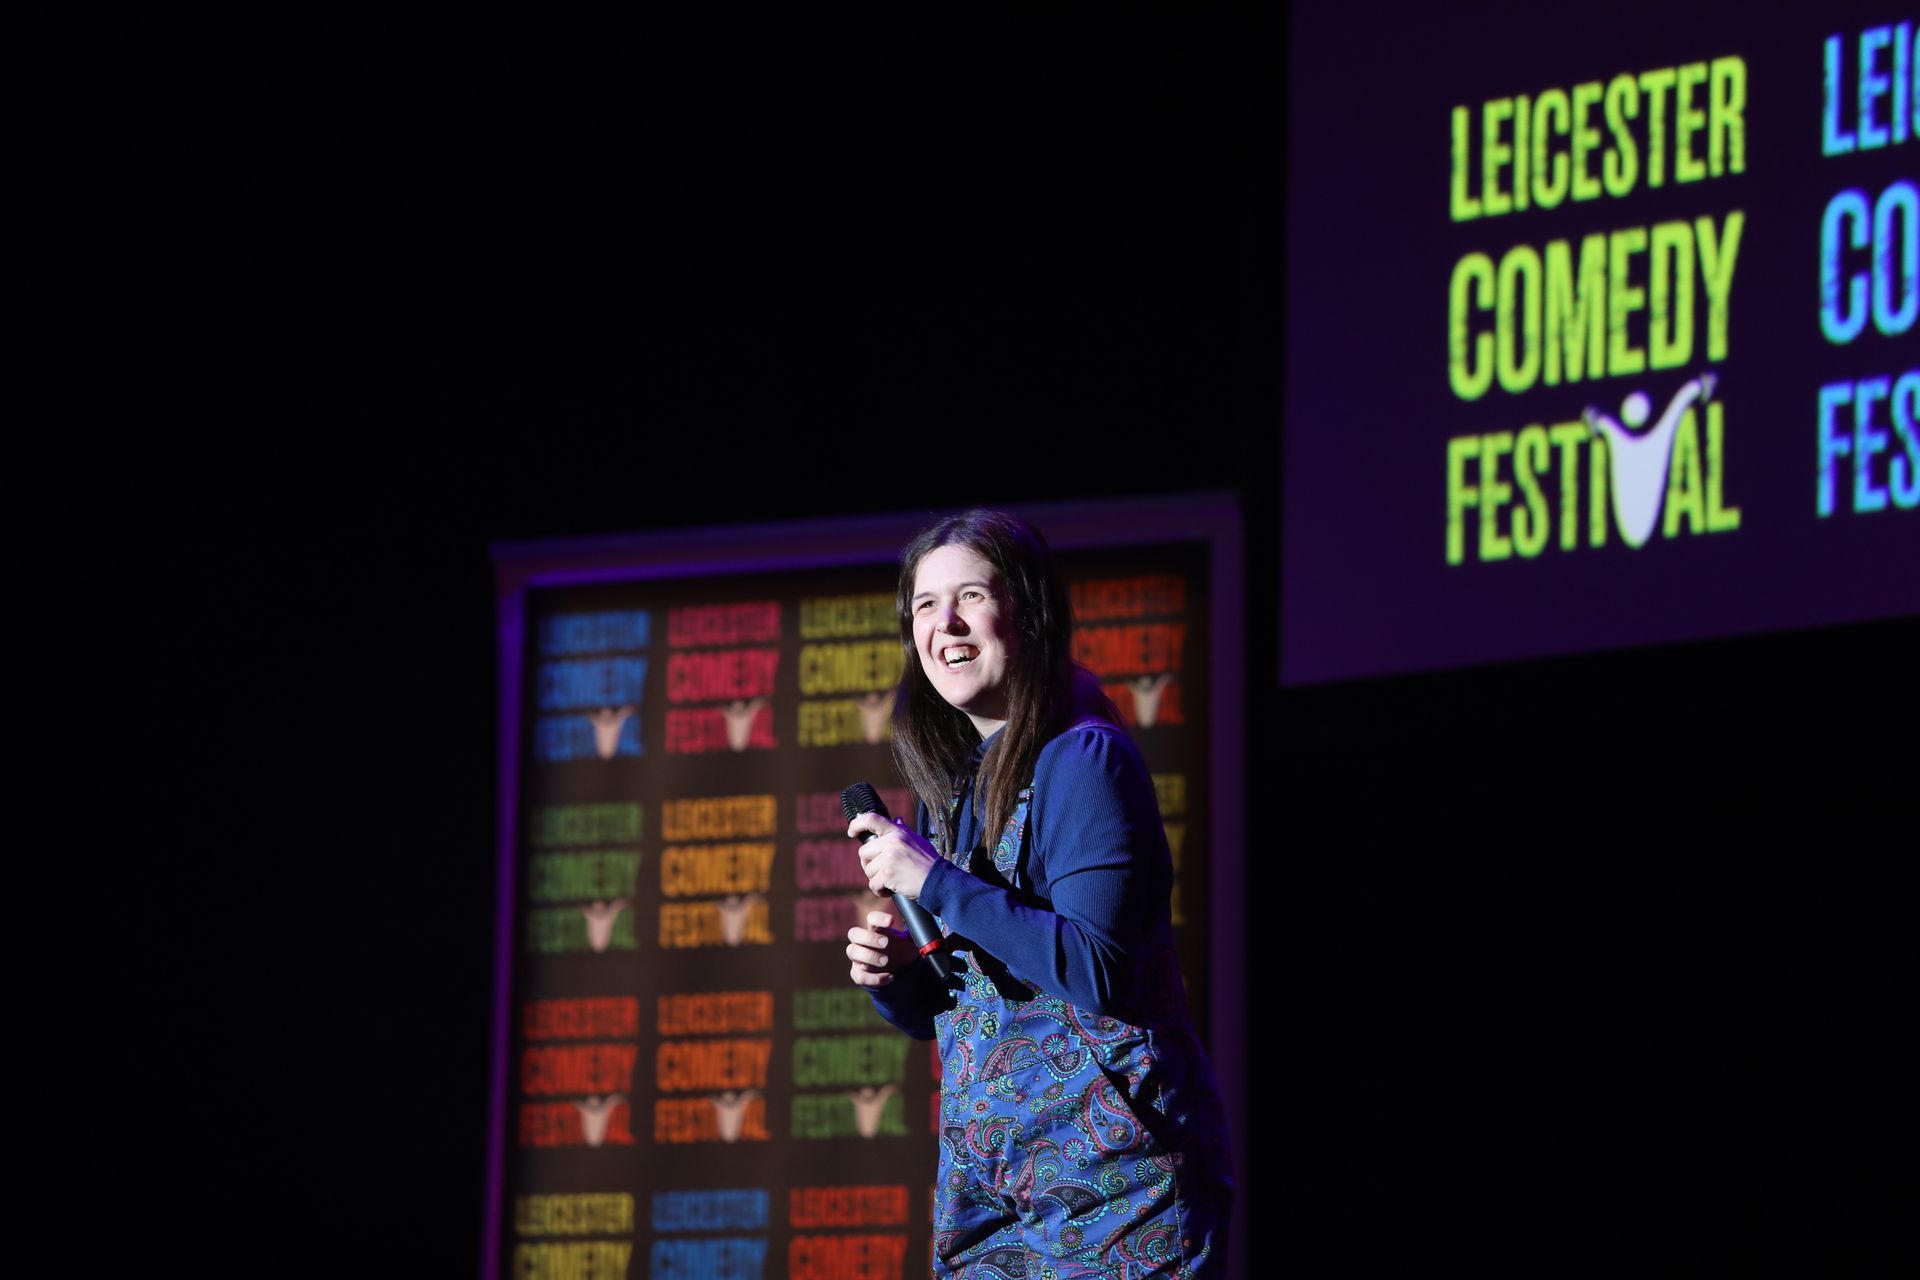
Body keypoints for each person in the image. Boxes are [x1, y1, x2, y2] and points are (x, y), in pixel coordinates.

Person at [846, 509, 1232, 1278]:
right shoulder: (948, 789)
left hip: (1115, 1187)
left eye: (971, 596)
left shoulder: (1083, 759)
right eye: (925, 605)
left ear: (1029, 611)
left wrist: (935, 882)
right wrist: (896, 979)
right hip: (990, 1196)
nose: (945, 622)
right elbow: (973, 996)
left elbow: (1098, 970)